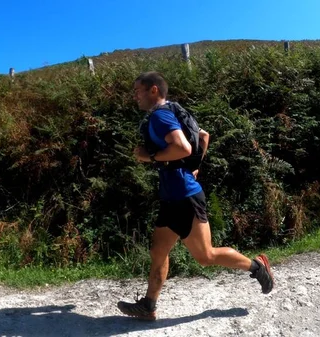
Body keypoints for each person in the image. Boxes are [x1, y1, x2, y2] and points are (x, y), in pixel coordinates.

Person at [117, 71, 274, 321]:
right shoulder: (173, 110)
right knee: (158, 251)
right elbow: (203, 136)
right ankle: (148, 306)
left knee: (206, 256)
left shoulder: (160, 116)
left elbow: (183, 147)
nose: (134, 96)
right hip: (172, 196)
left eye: (138, 91)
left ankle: (257, 267)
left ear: (154, 90)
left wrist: (149, 157)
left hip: (185, 197)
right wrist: (195, 166)